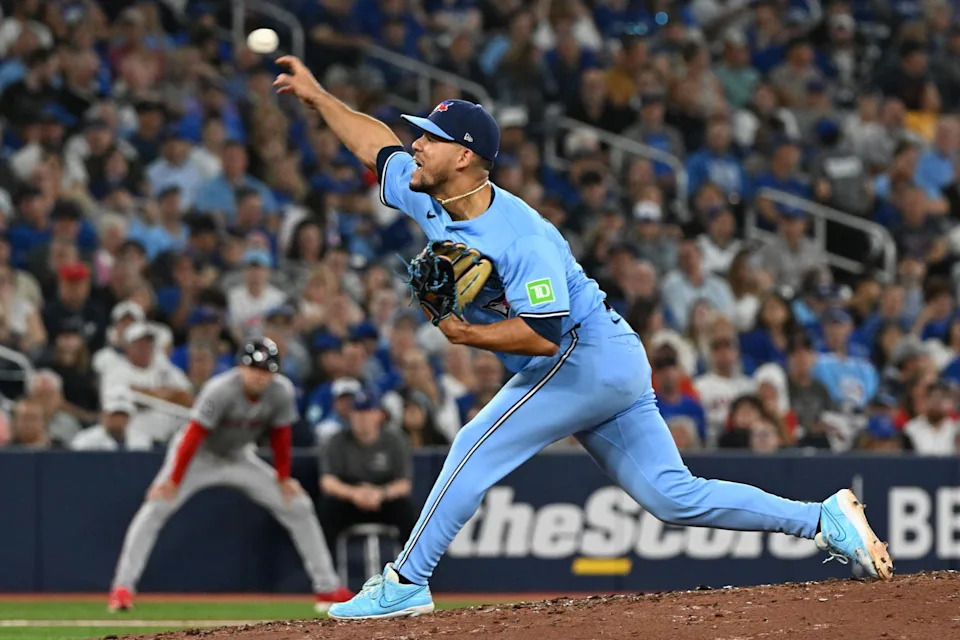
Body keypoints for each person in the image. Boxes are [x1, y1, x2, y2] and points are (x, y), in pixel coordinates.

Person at [273, 56, 894, 620]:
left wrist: (467, 333)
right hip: (610, 359)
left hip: (581, 354)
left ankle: (408, 580)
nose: (415, 147)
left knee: (472, 443)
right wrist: (319, 96)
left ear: (464, 156)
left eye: (429, 140)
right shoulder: (429, 194)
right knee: (672, 496)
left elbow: (543, 336)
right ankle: (821, 518)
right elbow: (375, 146)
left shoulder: (525, 239)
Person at [106, 338, 352, 613]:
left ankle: (327, 587)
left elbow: (281, 436)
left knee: (298, 505)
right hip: (198, 456)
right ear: (241, 366)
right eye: (254, 368)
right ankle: (122, 588)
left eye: (266, 369)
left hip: (239, 456)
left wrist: (284, 479)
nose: (259, 375)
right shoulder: (221, 389)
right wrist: (173, 480)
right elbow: (193, 436)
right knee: (155, 507)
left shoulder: (281, 391)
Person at [318, 389, 417, 552]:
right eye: (357, 412)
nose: (362, 417)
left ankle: (410, 571)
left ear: (379, 415)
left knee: (406, 510)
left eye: (368, 411)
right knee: (328, 509)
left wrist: (380, 493)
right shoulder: (337, 441)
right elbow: (327, 481)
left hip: (383, 499)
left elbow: (404, 484)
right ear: (350, 415)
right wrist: (354, 494)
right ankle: (328, 573)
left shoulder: (395, 440)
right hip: (348, 500)